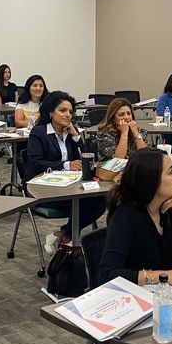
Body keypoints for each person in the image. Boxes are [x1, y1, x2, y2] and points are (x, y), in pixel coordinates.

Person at [97, 148, 172, 288]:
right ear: (151, 181)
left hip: (159, 295)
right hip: (129, 298)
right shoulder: (126, 216)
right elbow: (106, 275)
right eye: (171, 171)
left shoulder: (169, 210)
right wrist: (163, 276)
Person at [26, 91, 105, 254]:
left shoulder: (69, 132)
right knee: (86, 202)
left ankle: (63, 234)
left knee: (100, 200)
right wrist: (66, 165)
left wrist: (76, 136)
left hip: (69, 186)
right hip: (44, 189)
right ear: (50, 112)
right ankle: (68, 237)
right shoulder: (39, 132)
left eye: (70, 111)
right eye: (62, 110)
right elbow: (36, 163)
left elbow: (88, 159)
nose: (68, 115)